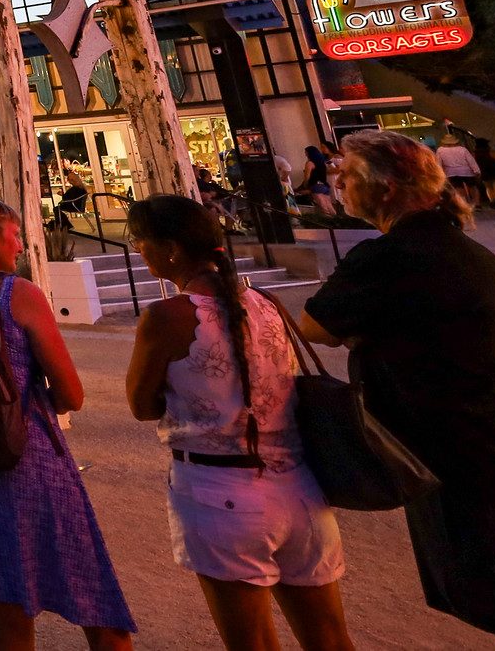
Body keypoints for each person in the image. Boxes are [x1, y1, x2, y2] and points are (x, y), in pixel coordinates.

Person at [300, 129, 495, 648]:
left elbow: (316, 326)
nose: (339, 185)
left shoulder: (392, 255)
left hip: (462, 457)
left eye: (348, 176)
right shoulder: (455, 247)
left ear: (385, 188)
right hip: (493, 443)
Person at [123, 196, 352, 651]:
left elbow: (142, 405)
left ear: (169, 248)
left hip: (218, 493)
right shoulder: (266, 302)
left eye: (140, 241)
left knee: (252, 643)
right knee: (329, 636)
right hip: (300, 486)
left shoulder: (167, 317)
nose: (137, 251)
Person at [0, 196, 135, 649]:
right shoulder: (17, 292)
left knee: (9, 596)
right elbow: (72, 395)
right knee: (95, 594)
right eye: (15, 233)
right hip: (29, 454)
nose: (21, 243)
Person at [435, 128, 483, 205]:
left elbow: (439, 163)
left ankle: (463, 204)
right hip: (467, 172)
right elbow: (471, 161)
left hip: (451, 173)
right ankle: (477, 203)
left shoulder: (440, 150)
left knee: (458, 188)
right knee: (473, 187)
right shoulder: (462, 149)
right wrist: (476, 170)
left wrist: (440, 173)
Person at [296, 146, 337, 217]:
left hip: (316, 186)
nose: (305, 154)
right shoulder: (322, 163)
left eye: (306, 152)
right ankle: (337, 221)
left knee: (324, 209)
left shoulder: (310, 163)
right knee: (329, 206)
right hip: (325, 186)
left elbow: (307, 177)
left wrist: (305, 185)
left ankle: (329, 224)